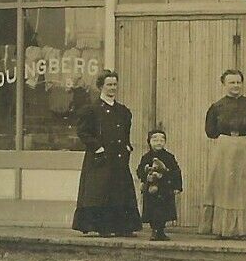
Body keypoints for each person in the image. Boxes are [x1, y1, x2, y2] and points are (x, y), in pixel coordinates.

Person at [72, 70, 142, 236]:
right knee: (101, 192)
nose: (112, 88)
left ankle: (121, 227)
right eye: (109, 85)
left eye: (114, 85)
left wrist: (127, 147)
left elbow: (125, 133)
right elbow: (83, 132)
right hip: (100, 158)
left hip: (118, 158)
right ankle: (102, 227)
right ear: (101, 87)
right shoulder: (91, 110)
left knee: (120, 191)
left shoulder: (123, 111)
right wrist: (98, 147)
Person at [201, 69, 246, 238]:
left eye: (238, 82)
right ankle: (222, 228)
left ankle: (245, 229)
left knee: (245, 186)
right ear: (224, 84)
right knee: (224, 186)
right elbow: (210, 131)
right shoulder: (216, 107)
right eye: (232, 82)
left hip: (245, 146)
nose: (236, 86)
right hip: (224, 147)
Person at [136, 127, 183, 241]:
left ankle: (161, 231)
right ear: (149, 142)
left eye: (162, 140)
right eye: (155, 140)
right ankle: (155, 231)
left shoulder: (169, 157)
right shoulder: (146, 157)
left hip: (165, 188)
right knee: (153, 210)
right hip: (151, 189)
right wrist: (145, 177)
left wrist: (177, 186)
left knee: (163, 211)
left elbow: (176, 171)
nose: (159, 143)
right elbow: (140, 170)